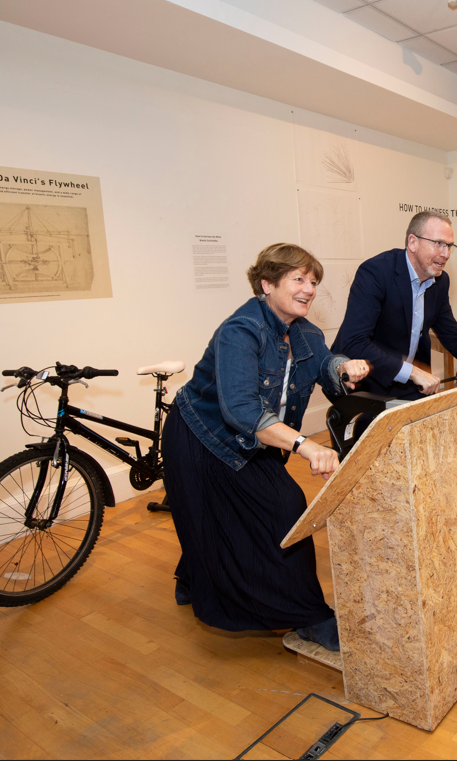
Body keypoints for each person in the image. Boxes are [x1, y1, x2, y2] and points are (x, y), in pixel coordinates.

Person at [163, 243, 370, 652]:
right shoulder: (240, 331)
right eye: (298, 279)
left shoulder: (305, 330)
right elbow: (240, 409)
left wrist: (342, 367)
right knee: (277, 506)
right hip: (201, 434)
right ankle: (308, 617)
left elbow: (324, 367)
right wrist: (306, 447)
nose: (309, 289)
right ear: (267, 283)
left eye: (313, 281)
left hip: (250, 437)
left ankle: (194, 579)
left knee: (221, 513)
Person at [333, 211, 457, 400]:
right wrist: (413, 372)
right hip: (365, 382)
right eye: (438, 244)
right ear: (413, 242)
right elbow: (354, 343)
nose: (446, 254)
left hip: (409, 382)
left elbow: (452, 338)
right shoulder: (375, 272)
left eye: (449, 246)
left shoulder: (440, 281)